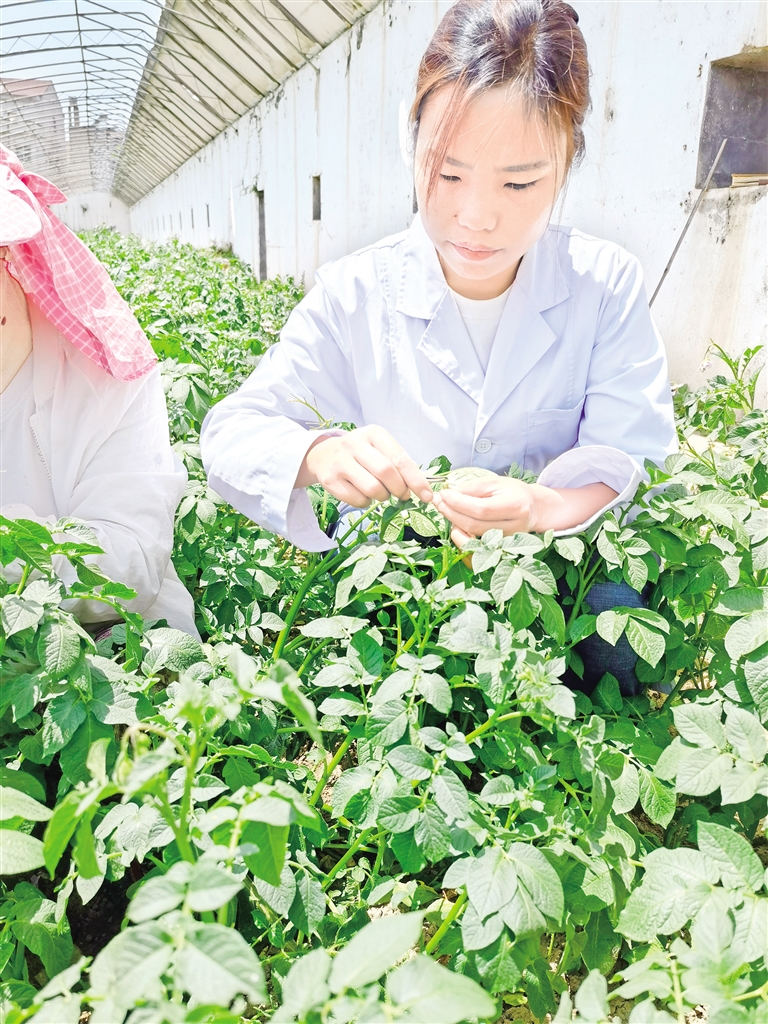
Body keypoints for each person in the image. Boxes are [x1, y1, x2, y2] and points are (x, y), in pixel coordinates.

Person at [201, 0, 676, 693]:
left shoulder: (603, 284)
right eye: (447, 174)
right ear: (411, 141)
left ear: (568, 159)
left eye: (519, 182)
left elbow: (637, 461)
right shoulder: (355, 291)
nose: (476, 216)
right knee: (379, 665)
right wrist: (320, 454)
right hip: (402, 563)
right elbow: (231, 433)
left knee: (616, 626)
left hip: (547, 562)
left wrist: (542, 508)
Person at [0, 146, 197, 637]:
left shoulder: (104, 375)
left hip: (114, 657)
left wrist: (9, 544)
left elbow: (131, 564)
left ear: (7, 256)